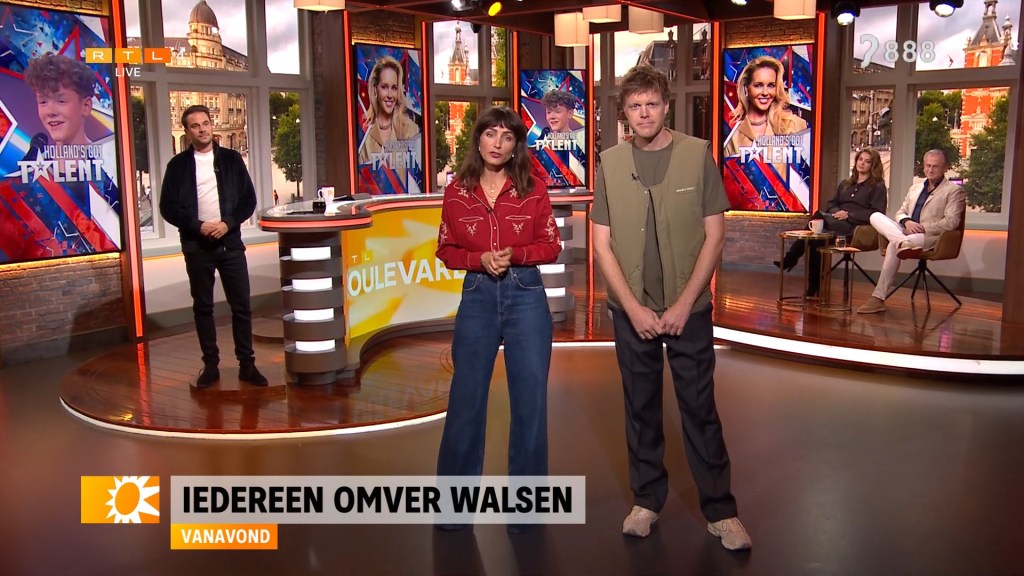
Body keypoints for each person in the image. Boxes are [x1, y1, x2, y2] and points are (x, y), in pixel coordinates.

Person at [590, 64, 751, 550]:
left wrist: (684, 304)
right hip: (631, 311)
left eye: (652, 104)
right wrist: (632, 308)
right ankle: (646, 501)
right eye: (635, 106)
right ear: (625, 112)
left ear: (665, 107)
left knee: (699, 409)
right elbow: (601, 243)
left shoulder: (697, 154)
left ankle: (721, 512)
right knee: (640, 408)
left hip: (690, 310)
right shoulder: (609, 163)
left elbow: (715, 235)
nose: (644, 113)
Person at [435, 106, 561, 533]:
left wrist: (516, 255)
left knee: (530, 404)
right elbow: (446, 250)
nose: (497, 144)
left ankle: (526, 513)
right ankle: (453, 512)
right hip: (477, 296)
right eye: (491, 134)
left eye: (507, 137)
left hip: (526, 295)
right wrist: (479, 260)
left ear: (515, 146)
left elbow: (551, 245)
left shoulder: (534, 189)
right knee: (466, 402)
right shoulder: (457, 192)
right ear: (478, 139)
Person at [159, 104, 268, 389]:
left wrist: (227, 223)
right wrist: (198, 226)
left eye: (205, 123)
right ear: (187, 131)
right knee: (203, 307)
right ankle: (210, 366)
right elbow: (167, 207)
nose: (202, 129)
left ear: (211, 125)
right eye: (195, 126)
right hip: (197, 246)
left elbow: (248, 200)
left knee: (241, 306)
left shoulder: (231, 160)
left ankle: (247, 365)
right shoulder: (177, 166)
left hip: (230, 243)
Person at [857, 149, 966, 314]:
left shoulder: (953, 191)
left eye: (935, 166)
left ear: (945, 168)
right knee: (875, 216)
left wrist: (922, 228)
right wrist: (906, 221)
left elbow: (951, 222)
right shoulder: (915, 188)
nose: (930, 170)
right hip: (906, 232)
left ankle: (878, 298)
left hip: (928, 236)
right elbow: (900, 212)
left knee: (893, 245)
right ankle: (903, 242)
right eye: (928, 166)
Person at [775, 147, 888, 296]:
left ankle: (791, 258)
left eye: (867, 161)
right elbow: (832, 203)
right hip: (835, 222)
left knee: (817, 216)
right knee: (816, 241)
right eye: (860, 159)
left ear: (873, 165)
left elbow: (877, 213)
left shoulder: (877, 187)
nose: (862, 163)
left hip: (856, 228)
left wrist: (849, 215)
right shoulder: (846, 183)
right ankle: (813, 287)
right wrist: (836, 213)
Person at [723, 55, 807, 160]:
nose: (765, 92)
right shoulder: (731, 132)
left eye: (771, 85)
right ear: (746, 89)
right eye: (758, 85)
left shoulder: (795, 125)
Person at [357, 55, 421, 167]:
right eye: (384, 87)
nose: (390, 95)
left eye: (394, 88)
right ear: (375, 89)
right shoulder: (363, 133)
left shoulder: (411, 130)